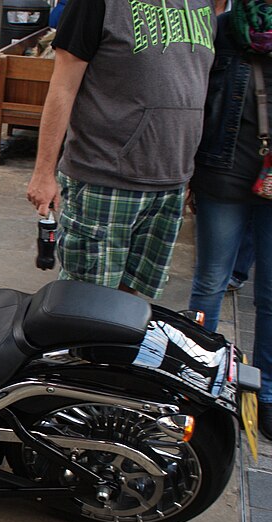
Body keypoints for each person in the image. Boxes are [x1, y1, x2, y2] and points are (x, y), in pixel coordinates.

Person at [27, 0, 226, 300]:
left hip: (170, 184)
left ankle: (111, 350)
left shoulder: (202, 6)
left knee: (128, 305)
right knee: (86, 303)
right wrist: (44, 172)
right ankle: (81, 349)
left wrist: (188, 174)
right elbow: (62, 87)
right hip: (103, 178)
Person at [187, 0, 272, 439]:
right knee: (209, 282)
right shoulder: (222, 30)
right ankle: (199, 380)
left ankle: (266, 393)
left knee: (271, 296)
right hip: (223, 175)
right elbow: (197, 101)